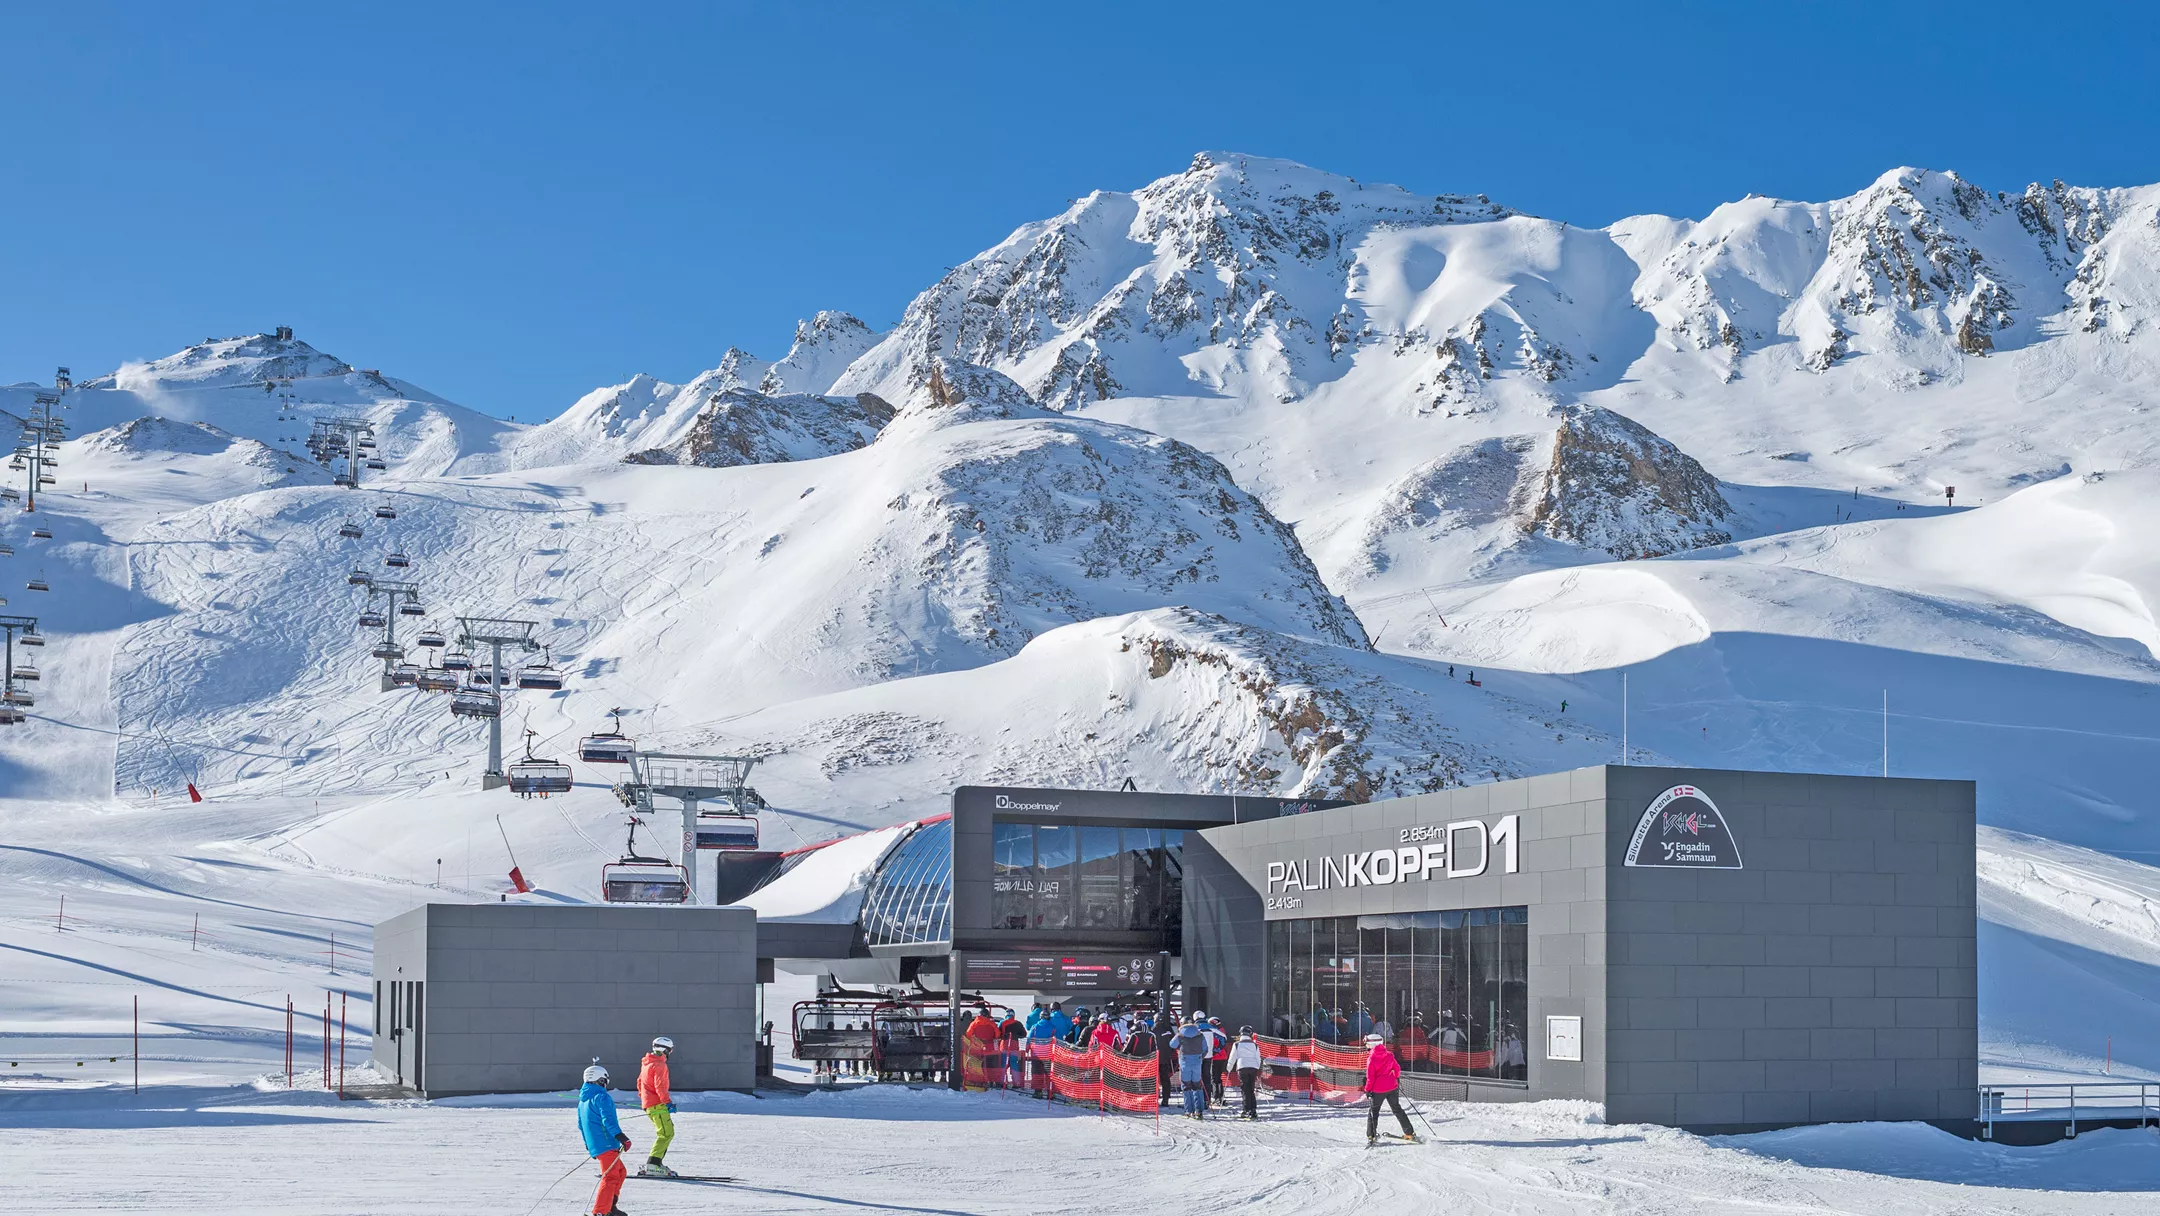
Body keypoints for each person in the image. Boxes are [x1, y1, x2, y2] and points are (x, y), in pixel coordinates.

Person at [576, 1061, 631, 1216]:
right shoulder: (602, 1097)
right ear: (601, 1080)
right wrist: (622, 1138)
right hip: (606, 1143)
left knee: (620, 1171)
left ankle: (610, 1207)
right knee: (611, 1176)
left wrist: (589, 1145)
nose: (605, 1085)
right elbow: (608, 1120)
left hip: (597, 1144)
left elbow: (581, 1125)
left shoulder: (583, 1101)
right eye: (605, 1081)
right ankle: (600, 1212)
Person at [1361, 1033, 1417, 1145]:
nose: (1366, 1046)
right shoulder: (1389, 1055)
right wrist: (1396, 1078)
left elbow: (1370, 1078)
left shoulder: (1372, 1059)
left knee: (1373, 1112)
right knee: (1397, 1109)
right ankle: (1409, 1133)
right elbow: (1397, 1068)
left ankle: (1371, 1136)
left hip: (1378, 1090)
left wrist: (1367, 1090)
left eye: (1367, 1043)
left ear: (1372, 1044)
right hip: (1392, 1088)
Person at [636, 1036, 679, 1179]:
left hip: (650, 1104)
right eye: (670, 1051)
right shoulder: (660, 1065)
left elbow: (639, 1082)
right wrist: (667, 1102)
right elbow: (660, 1086)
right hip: (658, 1104)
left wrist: (644, 1099)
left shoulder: (647, 1063)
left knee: (666, 1132)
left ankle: (655, 1163)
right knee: (666, 1134)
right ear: (665, 1050)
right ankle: (653, 1164)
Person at [1228, 1027, 1264, 1120]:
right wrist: (1257, 1067)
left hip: (1242, 1067)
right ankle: (1253, 1110)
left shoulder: (1237, 1044)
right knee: (1251, 1089)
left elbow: (1233, 1057)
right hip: (1253, 1068)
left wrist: (1229, 1068)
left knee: (1245, 1089)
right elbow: (1258, 1057)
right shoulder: (1255, 1045)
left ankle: (1246, 1110)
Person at [1176, 1018, 1209, 1118]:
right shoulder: (1200, 1034)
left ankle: (1188, 1110)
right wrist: (1200, 1058)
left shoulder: (1181, 1034)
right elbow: (1205, 1049)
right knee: (1197, 1086)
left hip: (1185, 1062)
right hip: (1197, 1063)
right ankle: (1199, 1111)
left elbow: (1172, 1044)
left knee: (1186, 1086)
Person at [1206, 1016, 1230, 1105]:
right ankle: (1220, 1096)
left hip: (1216, 1057)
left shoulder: (1215, 1033)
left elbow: (1214, 1044)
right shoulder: (1221, 1032)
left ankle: (1216, 1097)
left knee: (1214, 1078)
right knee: (1218, 1078)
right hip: (1222, 1057)